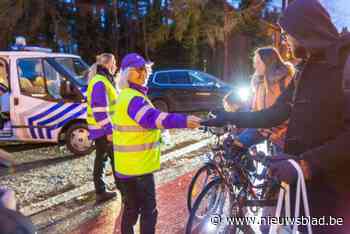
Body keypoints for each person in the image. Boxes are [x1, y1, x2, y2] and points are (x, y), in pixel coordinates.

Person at [202, 0, 350, 233]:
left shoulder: (345, 64)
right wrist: (230, 118)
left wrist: (306, 164)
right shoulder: (305, 70)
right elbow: (275, 113)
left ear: (304, 30)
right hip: (306, 191)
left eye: (286, 34)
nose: (285, 41)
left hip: (337, 195)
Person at [113, 53, 201, 234]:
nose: (143, 73)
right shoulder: (133, 98)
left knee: (130, 209)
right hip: (139, 168)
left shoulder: (125, 96)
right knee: (148, 211)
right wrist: (183, 121)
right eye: (137, 70)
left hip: (125, 167)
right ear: (126, 74)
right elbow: (151, 118)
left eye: (145, 69)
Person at [223, 47, 294, 153]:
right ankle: (245, 167)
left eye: (258, 62)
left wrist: (279, 134)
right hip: (262, 129)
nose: (254, 65)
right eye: (254, 62)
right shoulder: (258, 84)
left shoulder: (286, 81)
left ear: (269, 62)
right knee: (233, 145)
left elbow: (295, 113)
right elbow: (255, 111)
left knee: (278, 165)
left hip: (282, 134)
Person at [86, 53, 118, 204]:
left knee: (101, 159)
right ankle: (125, 192)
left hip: (100, 130)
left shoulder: (101, 80)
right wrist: (109, 131)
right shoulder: (101, 82)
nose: (116, 67)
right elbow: (99, 111)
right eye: (114, 63)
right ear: (108, 64)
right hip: (104, 131)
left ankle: (101, 191)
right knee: (116, 161)